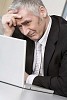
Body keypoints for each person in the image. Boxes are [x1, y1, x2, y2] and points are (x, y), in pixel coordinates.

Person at [2, 0, 67, 97]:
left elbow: (64, 86)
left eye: (27, 23)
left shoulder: (64, 35)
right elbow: (3, 71)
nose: (25, 32)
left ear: (42, 12)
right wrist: (7, 34)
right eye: (20, 26)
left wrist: (27, 78)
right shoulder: (16, 30)